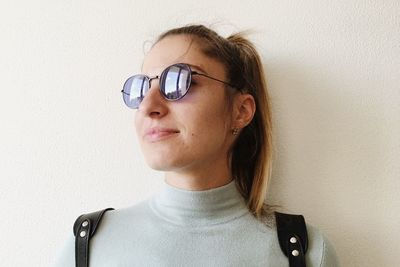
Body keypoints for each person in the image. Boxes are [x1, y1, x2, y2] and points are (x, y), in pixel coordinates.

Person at [55, 24, 340, 266]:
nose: (148, 106)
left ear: (240, 111)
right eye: (141, 88)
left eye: (180, 80)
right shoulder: (90, 244)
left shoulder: (304, 252)